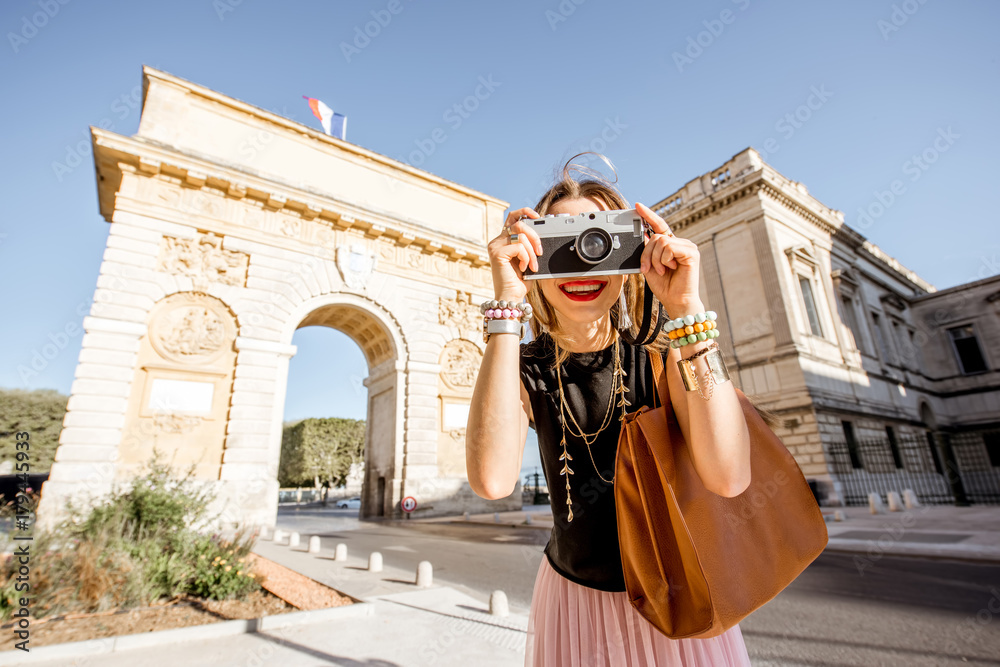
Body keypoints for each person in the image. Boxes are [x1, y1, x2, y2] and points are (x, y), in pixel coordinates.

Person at [466, 156, 754, 666]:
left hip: (675, 599)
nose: (582, 260)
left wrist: (688, 311)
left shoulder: (664, 354)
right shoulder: (521, 366)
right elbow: (492, 481)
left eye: (600, 241)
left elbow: (730, 475)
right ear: (531, 259)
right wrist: (506, 306)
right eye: (562, 242)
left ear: (632, 253)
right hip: (571, 604)